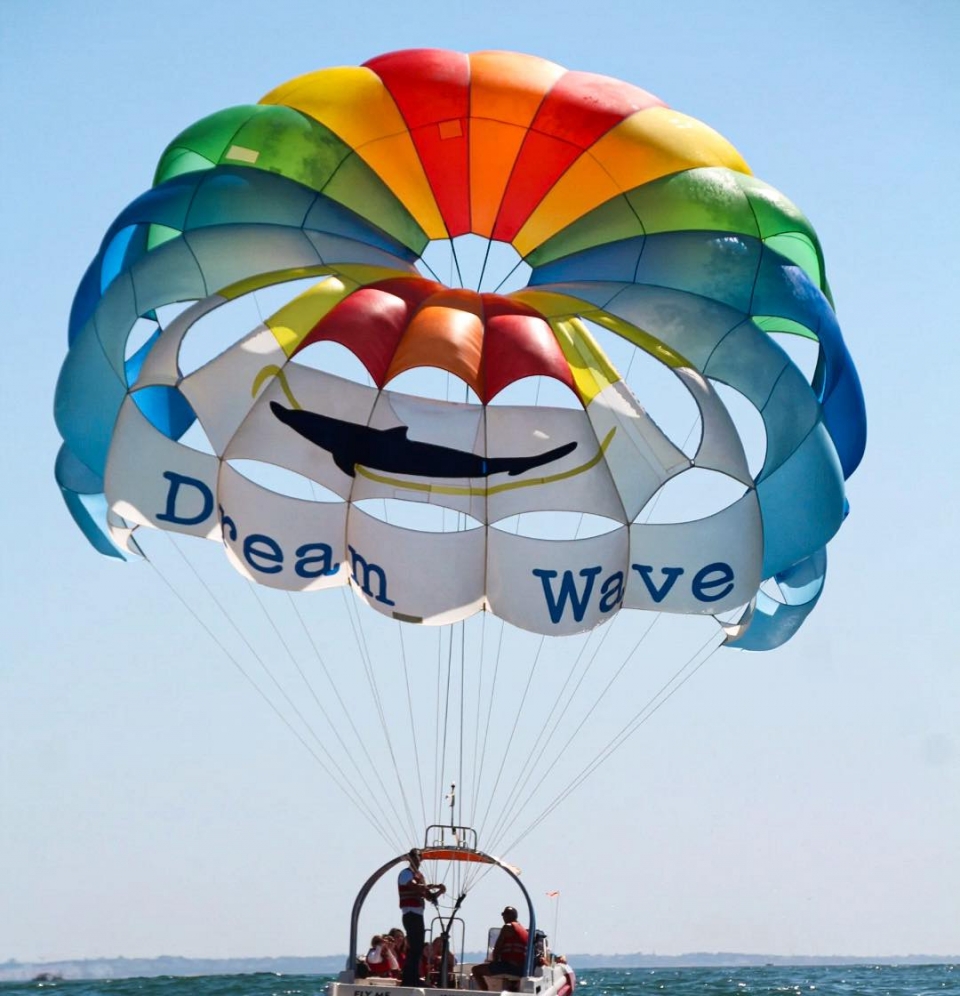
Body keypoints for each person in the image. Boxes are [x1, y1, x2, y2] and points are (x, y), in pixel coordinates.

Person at [398, 848, 446, 986]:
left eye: (418, 857)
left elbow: (428, 896)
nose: (416, 860)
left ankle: (412, 977)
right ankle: (409, 979)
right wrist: (431, 887)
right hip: (410, 914)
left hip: (418, 915)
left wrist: (438, 891)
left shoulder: (419, 876)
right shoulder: (405, 874)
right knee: (414, 946)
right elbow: (416, 888)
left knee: (418, 947)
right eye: (413, 857)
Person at [471, 906, 529, 991]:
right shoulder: (524, 930)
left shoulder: (507, 927)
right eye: (503, 914)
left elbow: (497, 949)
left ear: (512, 915)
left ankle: (485, 993)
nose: (503, 917)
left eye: (505, 914)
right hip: (521, 969)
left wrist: (494, 963)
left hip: (509, 967)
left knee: (476, 970)